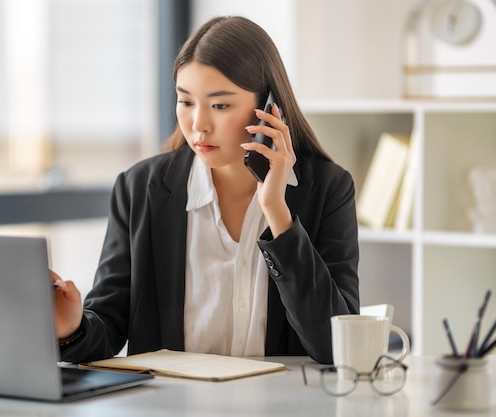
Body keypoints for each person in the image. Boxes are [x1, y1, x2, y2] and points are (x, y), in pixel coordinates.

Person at [51, 15, 359, 365]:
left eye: (220, 105)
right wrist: (72, 327)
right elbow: (108, 326)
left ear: (270, 110)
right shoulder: (140, 190)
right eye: (186, 101)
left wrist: (277, 212)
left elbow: (336, 346)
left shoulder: (328, 189)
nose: (198, 124)